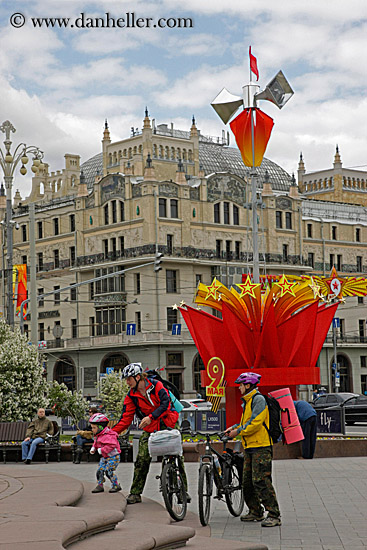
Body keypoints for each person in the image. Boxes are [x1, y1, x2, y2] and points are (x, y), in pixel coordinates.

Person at [112, 362, 189, 504]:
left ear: (137, 377)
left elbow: (165, 404)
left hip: (168, 422)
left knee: (177, 455)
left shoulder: (157, 386)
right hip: (151, 428)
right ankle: (135, 493)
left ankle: (183, 490)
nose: (127, 382)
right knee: (141, 458)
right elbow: (126, 418)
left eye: (129, 379)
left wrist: (150, 417)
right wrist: (111, 433)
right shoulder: (131, 396)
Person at [225, 372, 281, 528]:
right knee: (247, 481)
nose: (239, 388)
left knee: (261, 480)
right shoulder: (248, 401)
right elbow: (247, 421)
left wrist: (238, 432)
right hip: (250, 447)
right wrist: (234, 427)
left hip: (261, 446)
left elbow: (255, 423)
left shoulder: (258, 400)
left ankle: (274, 514)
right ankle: (255, 511)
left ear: (248, 385)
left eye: (241, 385)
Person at [89, 412, 122, 493]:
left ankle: (115, 485)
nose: (92, 430)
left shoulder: (109, 435)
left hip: (113, 457)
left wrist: (102, 450)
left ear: (100, 427)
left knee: (108, 471)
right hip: (105, 457)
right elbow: (96, 442)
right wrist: (94, 448)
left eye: (94, 428)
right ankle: (100, 485)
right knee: (99, 470)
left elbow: (112, 445)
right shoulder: (98, 434)